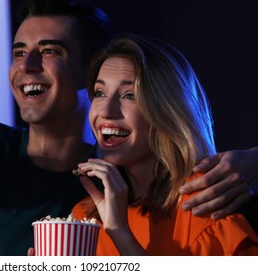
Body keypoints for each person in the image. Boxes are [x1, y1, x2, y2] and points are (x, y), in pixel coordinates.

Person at [0, 0, 256, 255]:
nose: (26, 65)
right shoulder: (80, 206)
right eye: (19, 52)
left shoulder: (189, 202)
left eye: (50, 51)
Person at [71, 33, 258, 255]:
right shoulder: (83, 217)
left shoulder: (207, 201)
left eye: (130, 95)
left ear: (166, 110)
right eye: (99, 93)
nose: (106, 111)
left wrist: (120, 233)